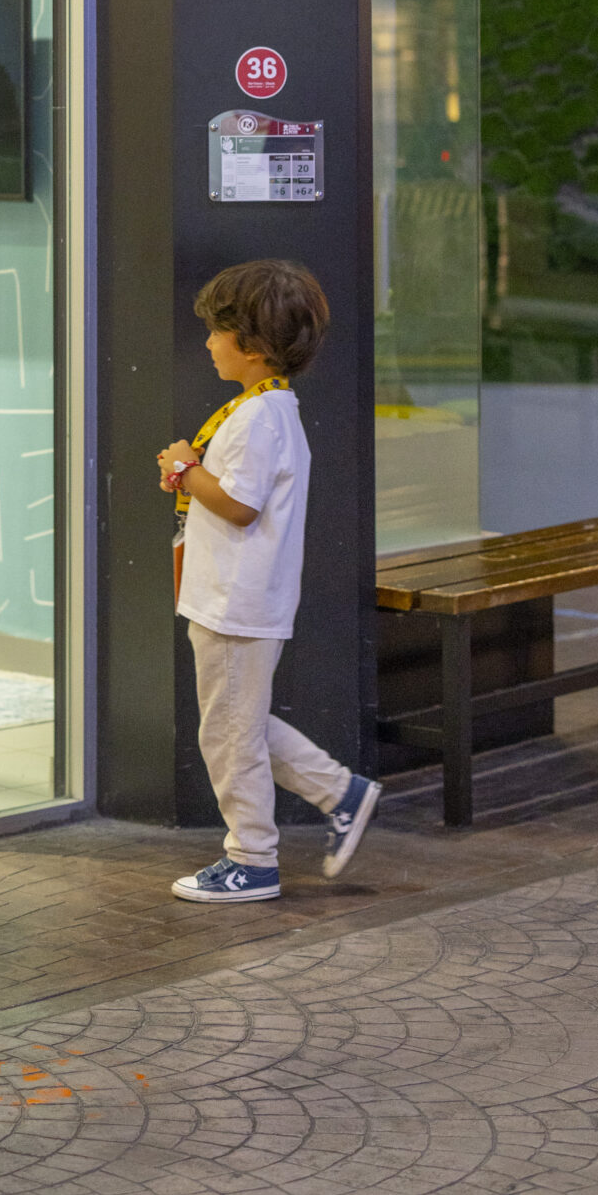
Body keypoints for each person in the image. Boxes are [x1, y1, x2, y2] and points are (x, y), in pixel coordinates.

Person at [158, 258, 380, 903]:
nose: (207, 343)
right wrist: (193, 475)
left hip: (236, 601)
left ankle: (252, 859)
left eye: (216, 332)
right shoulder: (266, 409)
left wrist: (185, 468)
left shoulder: (259, 418)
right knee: (239, 722)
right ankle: (341, 792)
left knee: (228, 733)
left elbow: (238, 505)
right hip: (234, 598)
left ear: (251, 346)